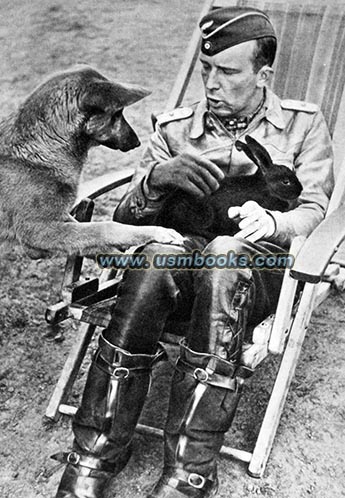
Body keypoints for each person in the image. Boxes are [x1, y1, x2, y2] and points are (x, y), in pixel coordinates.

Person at [53, 7, 334, 498]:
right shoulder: (174, 128)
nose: (211, 83)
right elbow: (130, 221)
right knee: (159, 254)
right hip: (183, 269)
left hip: (258, 272)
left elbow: (315, 208)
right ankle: (97, 450)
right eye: (206, 70)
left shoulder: (302, 127)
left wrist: (276, 222)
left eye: (227, 72)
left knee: (227, 253)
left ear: (263, 75)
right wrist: (156, 182)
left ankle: (192, 466)